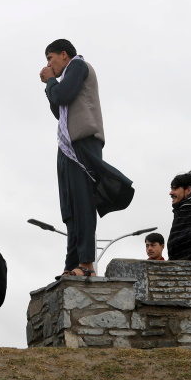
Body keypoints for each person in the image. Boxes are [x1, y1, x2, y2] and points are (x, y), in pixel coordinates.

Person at [40, 39, 134, 278]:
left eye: (50, 58)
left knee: (82, 202)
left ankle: (86, 264)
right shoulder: (66, 76)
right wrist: (51, 85)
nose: (49, 64)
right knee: (70, 207)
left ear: (63, 54)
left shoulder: (78, 67)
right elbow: (57, 108)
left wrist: (50, 81)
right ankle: (72, 263)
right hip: (67, 145)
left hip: (83, 142)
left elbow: (61, 95)